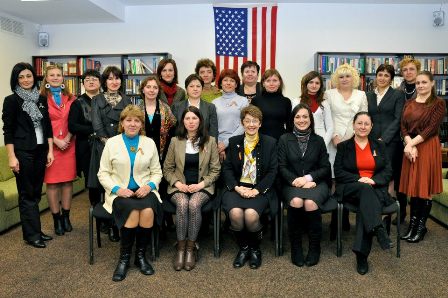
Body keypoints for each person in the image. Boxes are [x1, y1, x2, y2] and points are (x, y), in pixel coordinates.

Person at [98, 105, 163, 281]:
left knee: (148, 211)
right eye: (129, 120)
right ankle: (124, 258)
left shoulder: (149, 143)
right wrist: (117, 189)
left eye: (136, 121)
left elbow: (157, 172)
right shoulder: (112, 143)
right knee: (133, 211)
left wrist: (149, 186)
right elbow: (102, 173)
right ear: (122, 123)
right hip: (120, 191)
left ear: (141, 124)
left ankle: (140, 257)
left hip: (144, 190)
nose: (133, 124)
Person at [334, 112, 394, 275]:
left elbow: (388, 171)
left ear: (371, 126)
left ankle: (361, 255)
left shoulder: (379, 145)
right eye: (359, 123)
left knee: (365, 206)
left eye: (366, 124)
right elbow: (338, 172)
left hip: (374, 188)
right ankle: (378, 227)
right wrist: (360, 179)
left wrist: (373, 181)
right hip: (351, 188)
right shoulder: (343, 146)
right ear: (353, 125)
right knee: (366, 192)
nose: (362, 127)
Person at [2, 62, 54, 248]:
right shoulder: (12, 101)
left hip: (40, 151)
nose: (25, 80)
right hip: (22, 152)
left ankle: (35, 231)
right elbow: (7, 131)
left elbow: (47, 126)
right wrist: (11, 157)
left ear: (34, 77)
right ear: (16, 80)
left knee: (36, 193)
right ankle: (31, 236)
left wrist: (50, 150)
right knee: (27, 194)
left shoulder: (40, 99)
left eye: (28, 76)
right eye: (21, 77)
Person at [163, 106, 221, 271]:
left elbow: (216, 170)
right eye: (187, 118)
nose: (191, 122)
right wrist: (178, 184)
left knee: (194, 204)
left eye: (194, 118)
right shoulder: (175, 141)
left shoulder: (210, 141)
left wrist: (201, 184)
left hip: (203, 186)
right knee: (182, 204)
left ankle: (191, 248)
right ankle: (180, 248)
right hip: (179, 185)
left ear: (200, 121)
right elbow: (167, 169)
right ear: (183, 121)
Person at [221, 105, 278, 269]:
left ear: (260, 123)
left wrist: (256, 190)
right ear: (242, 123)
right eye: (247, 121)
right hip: (237, 187)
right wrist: (237, 188)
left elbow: (273, 171)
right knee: (236, 214)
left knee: (251, 216)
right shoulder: (234, 142)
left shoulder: (270, 143)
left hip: (259, 188)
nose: (251, 124)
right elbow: (228, 169)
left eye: (255, 121)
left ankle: (254, 248)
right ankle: (243, 248)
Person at [278, 104, 331, 267]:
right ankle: (296, 247)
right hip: (290, 183)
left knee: (310, 202)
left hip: (316, 183)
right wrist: (296, 181)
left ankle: (315, 248)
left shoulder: (318, 140)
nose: (301, 120)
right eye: (298, 117)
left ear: (311, 119)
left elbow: (325, 167)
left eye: (305, 117)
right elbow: (281, 166)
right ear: (293, 119)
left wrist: (308, 178)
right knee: (296, 201)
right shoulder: (284, 139)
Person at [399, 71, 446, 243]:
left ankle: (421, 227)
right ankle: (412, 225)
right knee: (414, 188)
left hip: (426, 146)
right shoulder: (409, 102)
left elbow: (431, 128)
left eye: (424, 82)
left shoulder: (438, 103)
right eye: (418, 83)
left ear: (432, 83)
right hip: (410, 146)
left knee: (424, 189)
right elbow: (402, 125)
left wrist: (411, 145)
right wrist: (408, 144)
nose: (420, 85)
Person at [90, 66, 132, 242]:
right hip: (102, 147)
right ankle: (105, 223)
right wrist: (109, 143)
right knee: (105, 186)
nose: (114, 82)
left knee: (120, 185)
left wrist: (119, 144)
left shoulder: (127, 99)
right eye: (110, 78)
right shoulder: (97, 99)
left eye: (117, 78)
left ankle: (118, 223)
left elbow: (129, 123)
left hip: (123, 149)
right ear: (104, 81)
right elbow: (97, 125)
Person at [325, 63, 368, 236]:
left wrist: (354, 138)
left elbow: (363, 118)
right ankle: (336, 218)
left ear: (354, 78)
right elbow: (327, 118)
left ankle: (346, 217)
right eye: (341, 76)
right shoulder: (329, 94)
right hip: (333, 141)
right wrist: (335, 136)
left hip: (354, 141)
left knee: (348, 176)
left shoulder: (361, 94)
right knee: (334, 178)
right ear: (336, 79)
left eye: (347, 76)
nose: (344, 79)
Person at [366, 64, 406, 223]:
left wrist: (384, 138)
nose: (382, 78)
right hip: (370, 141)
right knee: (373, 174)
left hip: (390, 142)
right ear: (376, 76)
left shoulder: (397, 94)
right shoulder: (368, 95)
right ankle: (375, 210)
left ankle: (386, 215)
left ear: (391, 79)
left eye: (386, 75)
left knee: (388, 176)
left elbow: (398, 119)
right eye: (380, 74)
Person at [40, 65, 76, 236]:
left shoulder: (71, 98)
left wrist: (67, 138)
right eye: (51, 75)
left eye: (58, 75)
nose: (55, 77)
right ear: (46, 78)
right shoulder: (39, 98)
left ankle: (66, 216)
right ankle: (56, 219)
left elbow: (76, 120)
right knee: (53, 184)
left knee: (68, 182)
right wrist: (55, 141)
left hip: (69, 145)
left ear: (63, 78)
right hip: (50, 147)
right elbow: (38, 124)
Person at [68, 69, 102, 207]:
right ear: (83, 84)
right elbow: (72, 126)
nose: (91, 81)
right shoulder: (78, 103)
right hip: (87, 149)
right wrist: (96, 129)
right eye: (87, 80)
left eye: (94, 79)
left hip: (107, 147)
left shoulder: (105, 100)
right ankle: (99, 219)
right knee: (93, 185)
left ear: (100, 82)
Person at [213, 69, 249, 162]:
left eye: (232, 81)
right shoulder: (214, 102)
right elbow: (212, 126)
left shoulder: (243, 101)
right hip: (217, 145)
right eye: (225, 80)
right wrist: (219, 145)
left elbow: (244, 125)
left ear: (236, 84)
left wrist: (225, 144)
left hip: (237, 143)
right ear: (220, 83)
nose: (228, 83)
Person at [138, 75, 176, 160]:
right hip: (140, 152)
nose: (152, 90)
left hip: (162, 153)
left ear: (158, 91)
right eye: (148, 87)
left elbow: (173, 126)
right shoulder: (136, 109)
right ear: (143, 90)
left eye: (155, 87)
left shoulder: (165, 108)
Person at [171, 74, 218, 138]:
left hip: (204, 145)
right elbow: (173, 131)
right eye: (191, 86)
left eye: (198, 86)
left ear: (202, 88)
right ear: (186, 89)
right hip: (182, 144)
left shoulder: (210, 107)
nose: (195, 89)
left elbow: (213, 132)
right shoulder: (176, 107)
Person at [295, 71, 333, 149]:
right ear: (306, 84)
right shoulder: (296, 102)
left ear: (320, 85)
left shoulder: (325, 103)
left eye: (317, 83)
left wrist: (323, 145)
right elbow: (292, 124)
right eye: (311, 82)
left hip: (321, 141)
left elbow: (330, 128)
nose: (314, 85)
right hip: (300, 142)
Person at [251, 69, 292, 141]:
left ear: (279, 83)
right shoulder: (255, 101)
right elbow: (252, 123)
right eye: (268, 81)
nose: (271, 84)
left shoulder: (286, 101)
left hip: (281, 141)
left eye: (275, 80)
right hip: (260, 141)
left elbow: (289, 125)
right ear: (263, 83)